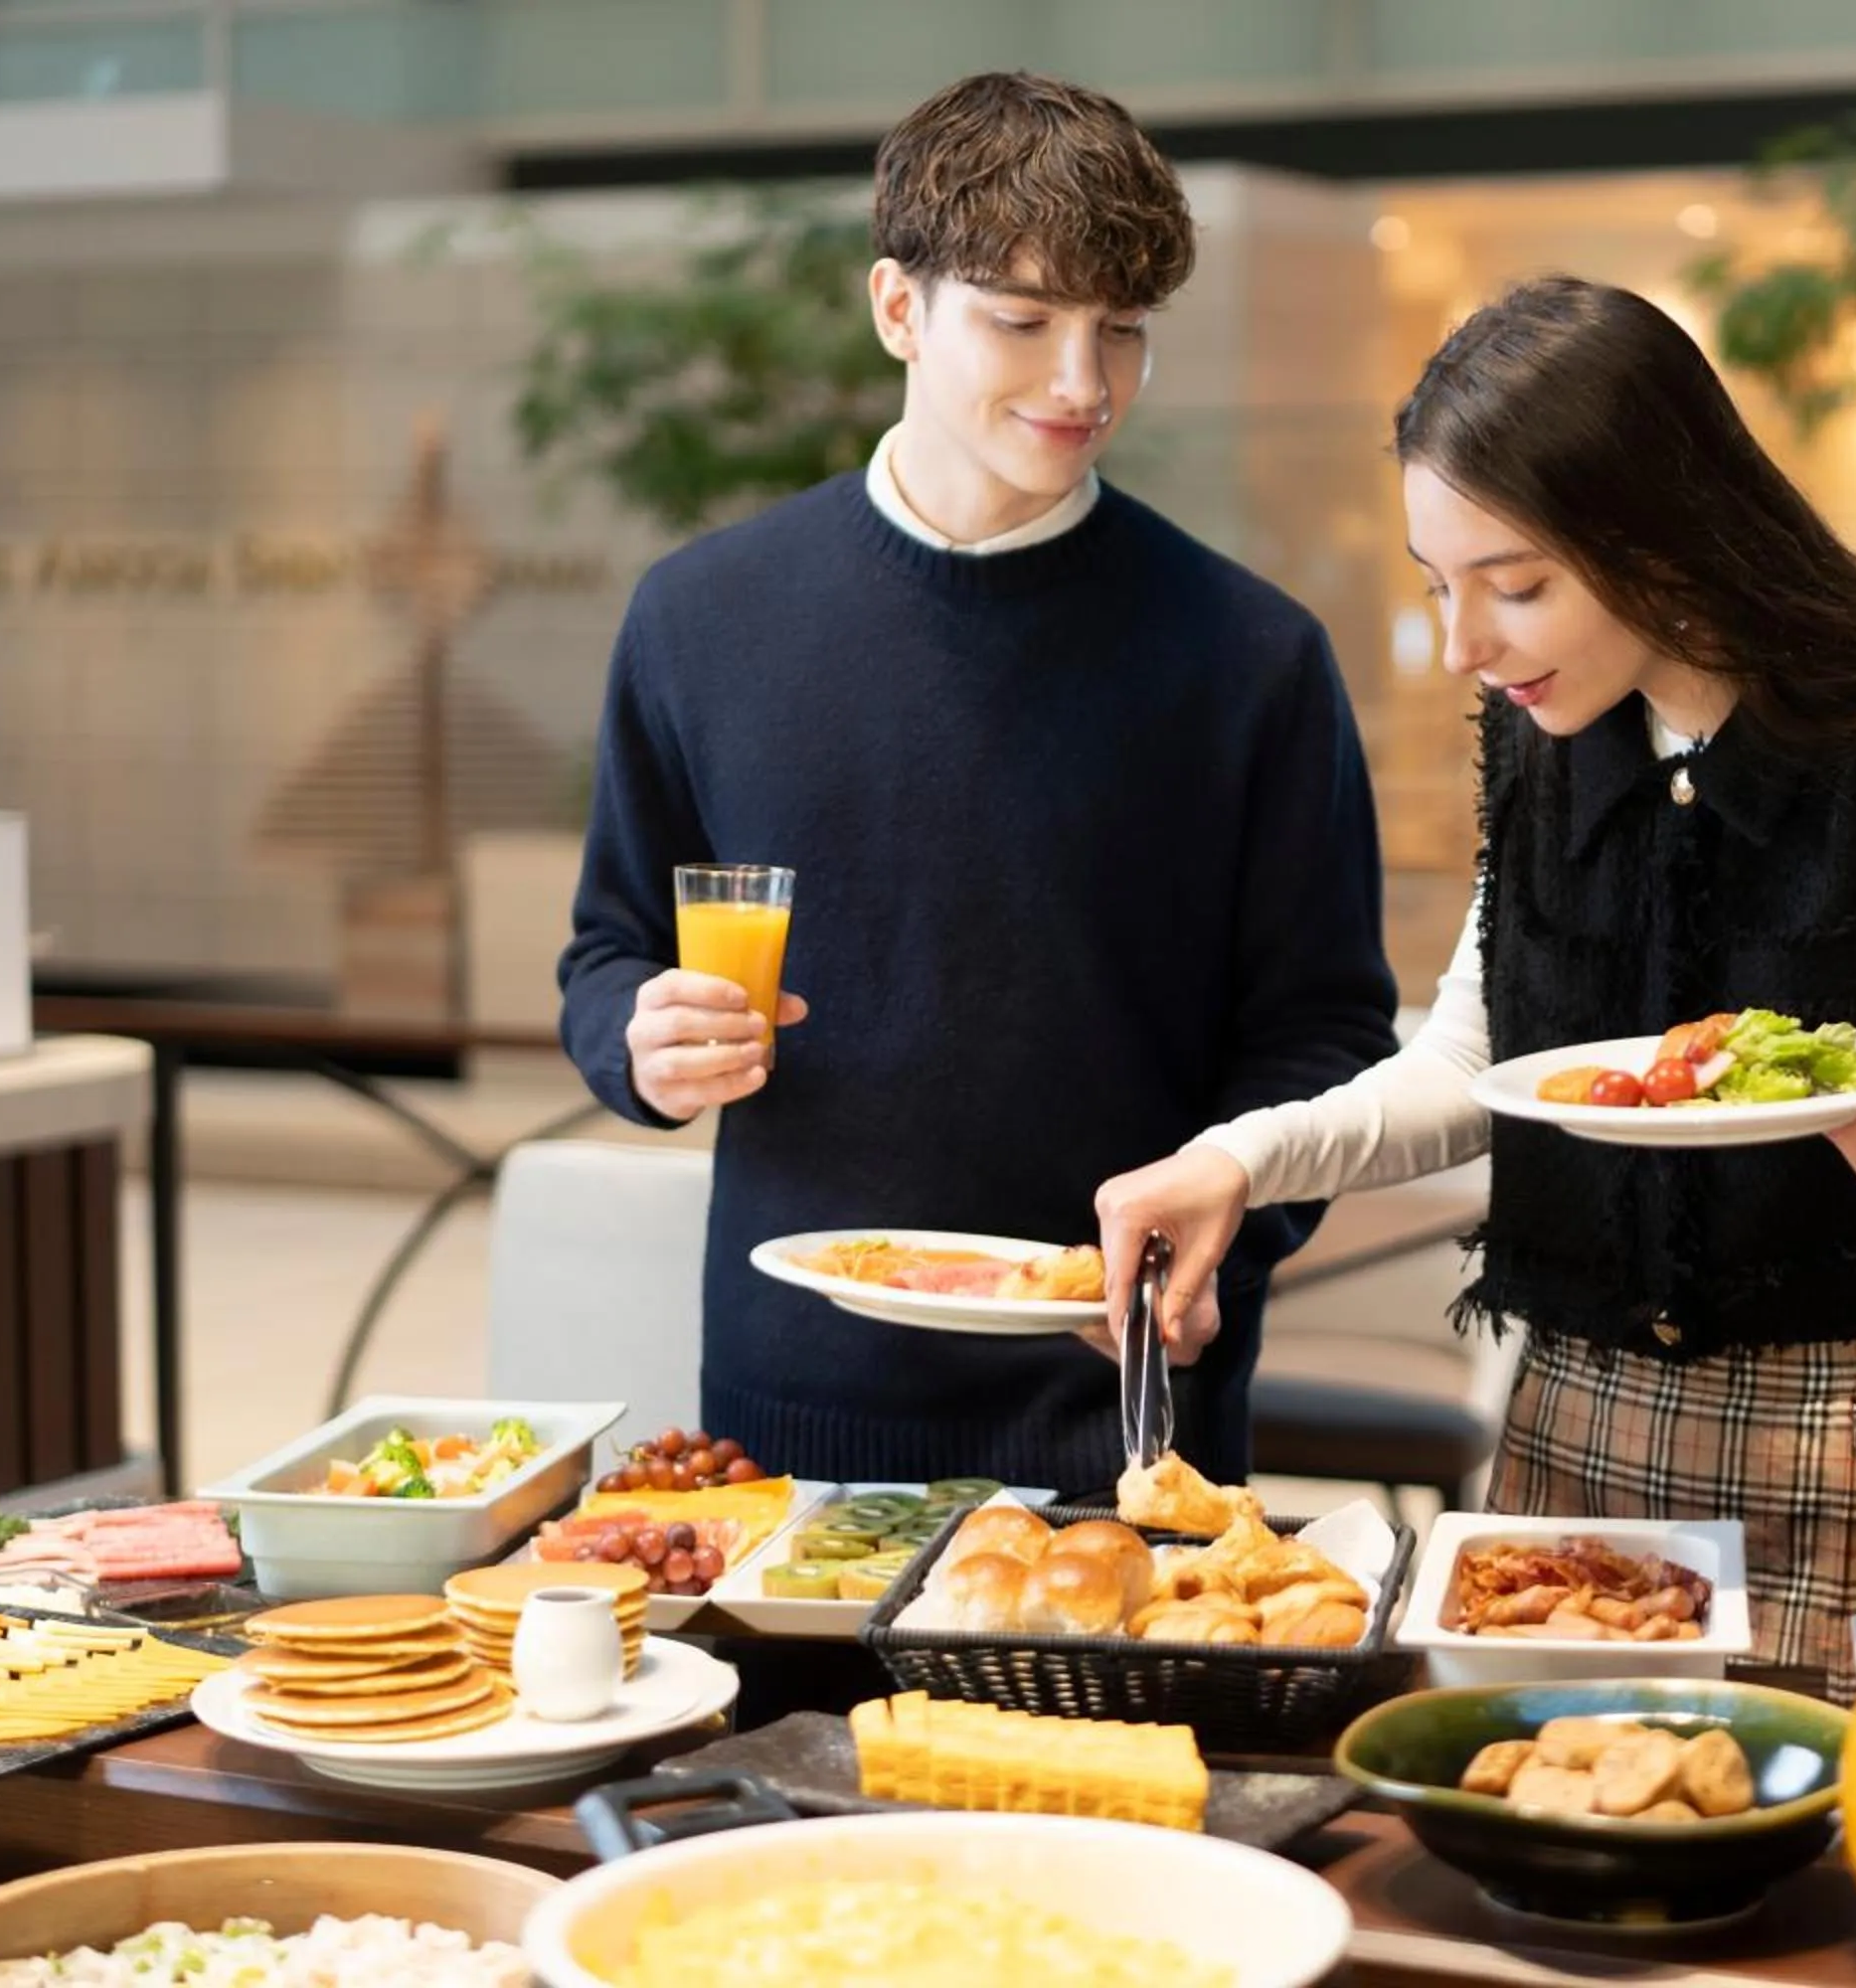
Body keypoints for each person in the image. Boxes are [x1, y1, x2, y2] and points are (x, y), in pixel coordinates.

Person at [1093, 276, 1856, 1702]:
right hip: (1574, 1436)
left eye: (1518, 584)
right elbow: (1467, 1072)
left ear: (1660, 535)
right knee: (1547, 1841)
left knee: (1826, 1880)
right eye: (1440, 586)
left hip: (1854, 1443)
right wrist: (1238, 1159)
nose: (1467, 646)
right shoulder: (1551, 752)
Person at [559, 72, 1399, 1494]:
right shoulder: (704, 616)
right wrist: (635, 1043)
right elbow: (609, 948)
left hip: (1126, 1411)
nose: (1084, 384)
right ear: (899, 308)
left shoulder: (1251, 655)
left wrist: (1228, 1232)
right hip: (793, 1400)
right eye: (1024, 322)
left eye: (1121, 332)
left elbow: (1323, 1034)